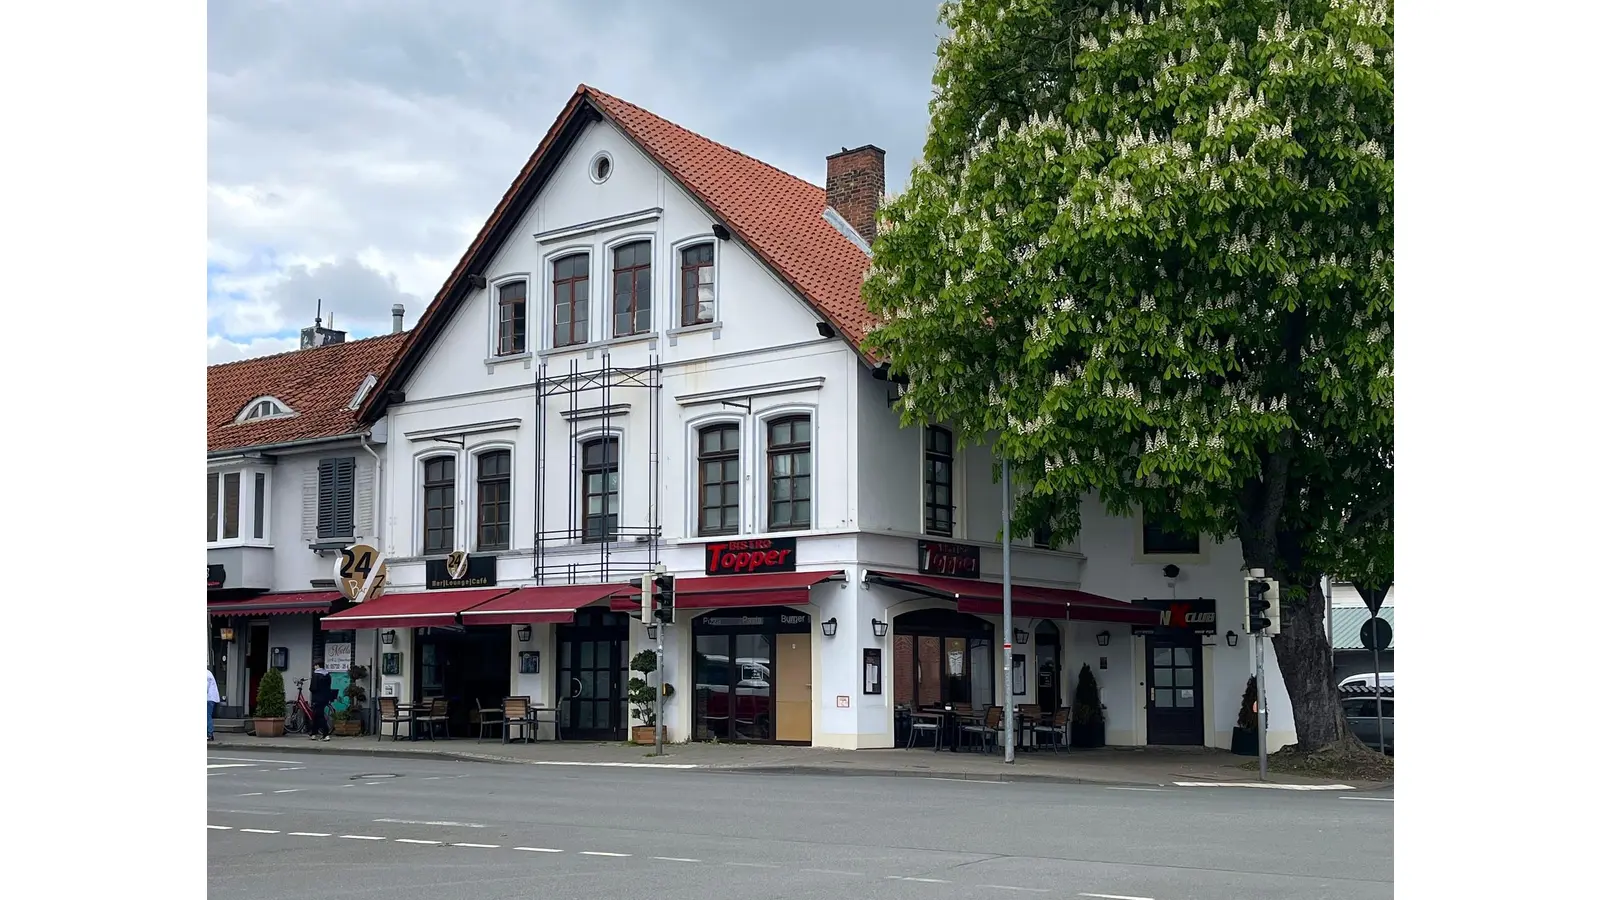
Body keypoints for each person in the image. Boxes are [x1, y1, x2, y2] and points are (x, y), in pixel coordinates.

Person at [309, 659, 334, 741]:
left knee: (319, 716)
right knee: (316, 715)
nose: (314, 667)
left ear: (317, 665)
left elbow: (313, 688)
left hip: (317, 698)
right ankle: (313, 733)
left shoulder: (316, 675)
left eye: (315, 665)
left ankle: (326, 734)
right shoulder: (327, 674)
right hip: (326, 697)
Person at [206, 667, 221, 741]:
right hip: (210, 698)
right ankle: (209, 733)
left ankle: (209, 734)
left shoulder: (206, 674)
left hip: (209, 698)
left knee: (207, 715)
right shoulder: (208, 673)